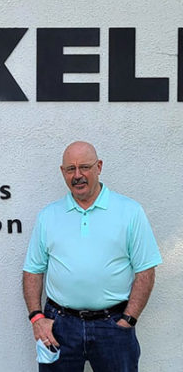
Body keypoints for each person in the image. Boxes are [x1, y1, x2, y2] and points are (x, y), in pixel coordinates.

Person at [22, 141, 162, 372]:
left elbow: (145, 269)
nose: (78, 175)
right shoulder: (48, 216)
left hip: (113, 326)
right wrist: (37, 318)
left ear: (99, 166)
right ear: (63, 172)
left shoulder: (130, 212)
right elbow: (33, 270)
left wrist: (128, 319)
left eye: (85, 167)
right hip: (59, 327)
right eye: (71, 169)